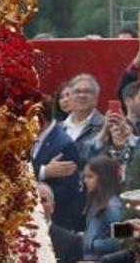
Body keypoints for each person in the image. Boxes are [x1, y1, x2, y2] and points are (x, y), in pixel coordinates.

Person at [31, 94, 85, 231]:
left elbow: (68, 190)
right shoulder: (30, 136)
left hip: (56, 224)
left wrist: (38, 194)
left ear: (39, 119)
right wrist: (43, 172)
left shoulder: (64, 145)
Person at [80, 154, 124, 258]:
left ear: (103, 178)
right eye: (85, 176)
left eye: (90, 176)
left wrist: (91, 243)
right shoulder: (96, 202)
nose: (85, 181)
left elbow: (121, 240)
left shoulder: (113, 207)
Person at [35, 183, 82, 263]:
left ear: (52, 207)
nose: (38, 205)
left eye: (43, 200)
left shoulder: (71, 242)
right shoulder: (11, 238)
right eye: (33, 200)